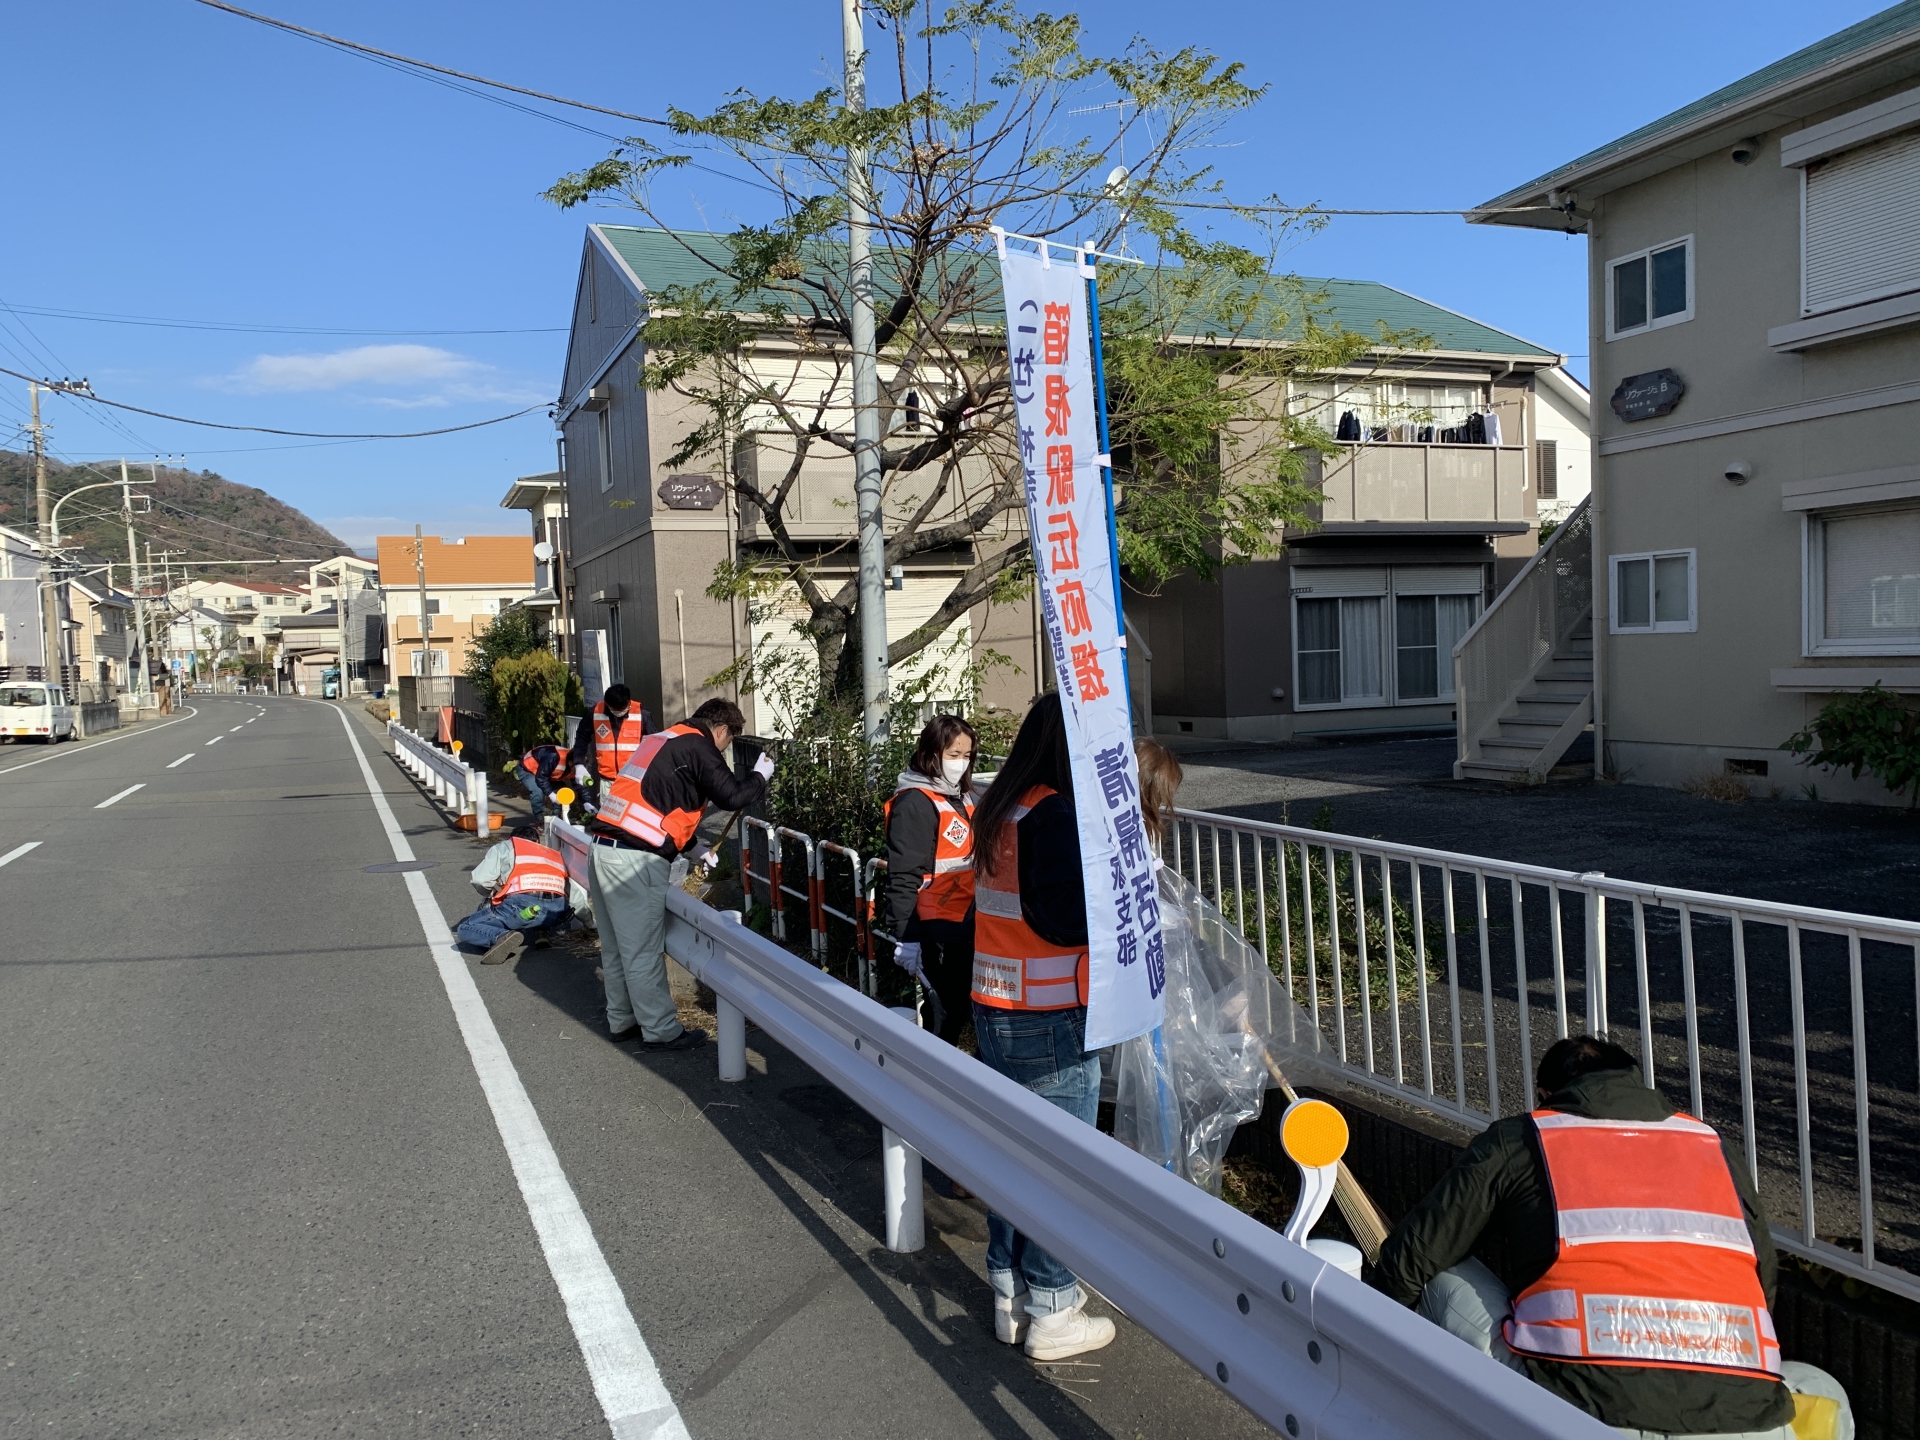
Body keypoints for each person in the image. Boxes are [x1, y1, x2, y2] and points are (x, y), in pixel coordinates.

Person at [1372, 1035, 1852, 1440]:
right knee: (1820, 1387)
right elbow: (1762, 1282)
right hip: (1742, 1420)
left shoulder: (1525, 1137)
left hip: (1580, 1410)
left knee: (1440, 1272)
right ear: (1635, 1081)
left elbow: (1412, 1258)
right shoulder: (1711, 1145)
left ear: (1546, 1094)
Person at [967, 691, 1116, 1363]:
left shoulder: (1003, 806)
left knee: (1012, 1154)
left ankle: (1010, 1291)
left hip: (996, 1004)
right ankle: (1053, 1306)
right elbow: (1063, 919)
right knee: (1059, 1167)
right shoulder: (1052, 813)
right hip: (1050, 1016)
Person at [587, 696, 771, 1050]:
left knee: (615, 948)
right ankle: (659, 1030)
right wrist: (759, 778)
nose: (724, 750)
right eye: (729, 741)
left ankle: (622, 1019)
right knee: (642, 951)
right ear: (721, 729)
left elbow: (660, 801)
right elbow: (732, 796)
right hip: (635, 861)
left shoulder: (663, 739)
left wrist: (692, 846)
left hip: (603, 847)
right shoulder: (699, 745)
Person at [884, 714, 979, 1044]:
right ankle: (929, 1072)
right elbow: (903, 873)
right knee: (943, 1014)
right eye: (953, 754)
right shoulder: (916, 802)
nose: (960, 763)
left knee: (957, 1010)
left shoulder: (958, 796)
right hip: (933, 926)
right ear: (931, 752)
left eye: (967, 755)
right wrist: (906, 936)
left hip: (963, 921)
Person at [456, 823, 590, 966]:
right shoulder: (552, 855)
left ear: (512, 838)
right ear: (537, 842)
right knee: (540, 901)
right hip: (557, 914)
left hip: (521, 909)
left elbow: (480, 880)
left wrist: (493, 894)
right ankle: (541, 933)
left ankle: (502, 936)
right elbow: (576, 898)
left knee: (466, 928)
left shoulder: (506, 846)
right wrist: (589, 923)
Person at [569, 683, 650, 808]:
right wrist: (579, 763)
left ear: (628, 702)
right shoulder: (595, 713)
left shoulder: (641, 714)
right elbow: (582, 737)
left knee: (631, 815)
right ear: (607, 704)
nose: (619, 712)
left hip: (633, 780)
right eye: (615, 709)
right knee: (608, 816)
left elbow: (653, 742)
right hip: (607, 780)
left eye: (622, 709)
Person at [516, 741, 570, 818]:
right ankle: (539, 816)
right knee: (537, 790)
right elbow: (541, 778)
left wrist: (586, 803)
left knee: (562, 790)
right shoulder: (553, 757)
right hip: (527, 769)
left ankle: (557, 814)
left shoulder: (576, 765)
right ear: (571, 763)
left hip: (543, 771)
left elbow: (579, 785)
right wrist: (551, 795)